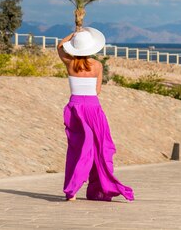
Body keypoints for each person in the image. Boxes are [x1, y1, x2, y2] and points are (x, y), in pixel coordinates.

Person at [57, 27, 135, 202]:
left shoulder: (70, 64)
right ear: (91, 48)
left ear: (75, 48)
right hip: (93, 108)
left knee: (77, 149)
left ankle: (72, 191)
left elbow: (59, 46)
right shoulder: (98, 65)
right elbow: (97, 90)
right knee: (100, 148)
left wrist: (73, 33)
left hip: (75, 108)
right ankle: (100, 188)